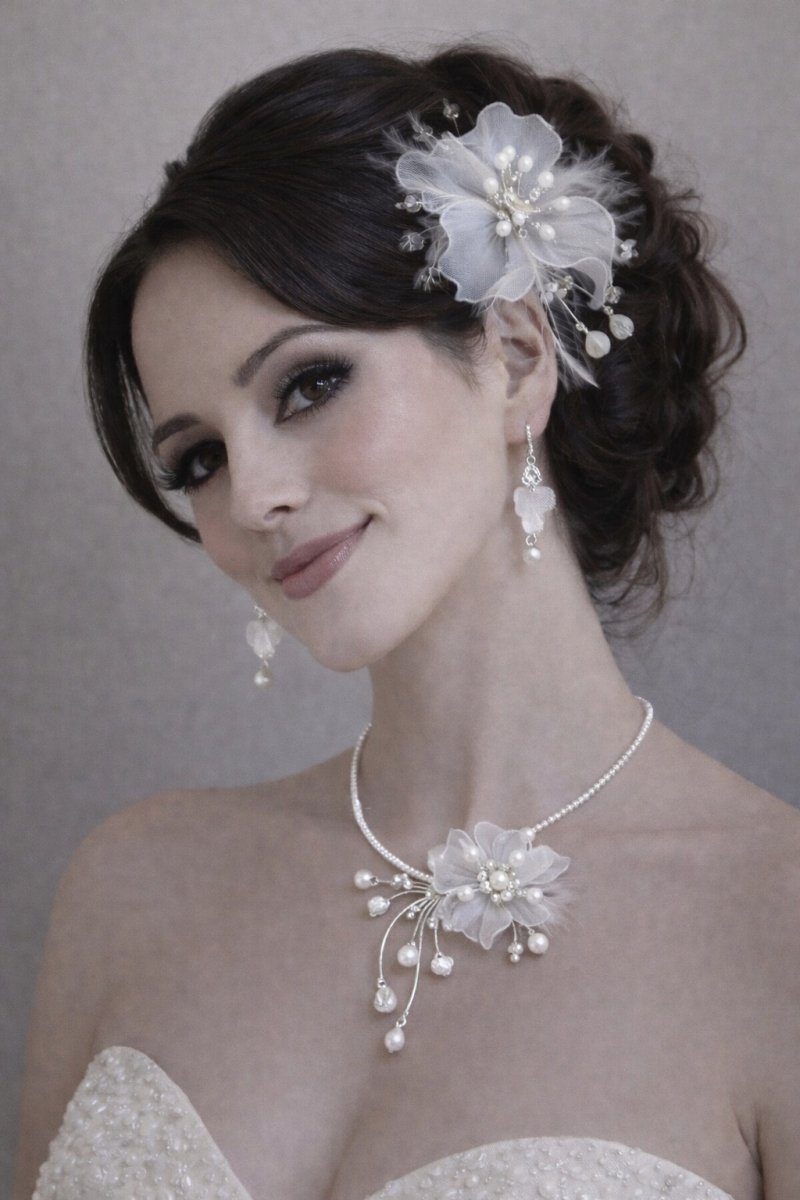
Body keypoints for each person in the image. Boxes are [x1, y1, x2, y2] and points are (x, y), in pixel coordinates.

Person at [14, 44, 799, 1200]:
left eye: (306, 384)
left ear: (517, 357)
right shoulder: (132, 889)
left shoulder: (771, 922)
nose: (252, 497)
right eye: (198, 459)